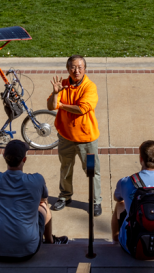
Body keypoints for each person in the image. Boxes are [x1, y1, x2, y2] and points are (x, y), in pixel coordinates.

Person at [0, 140, 68, 262]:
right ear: (24, 159)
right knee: (44, 205)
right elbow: (43, 200)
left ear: (4, 157)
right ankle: (50, 241)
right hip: (28, 249)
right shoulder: (37, 180)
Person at [46, 55, 102, 215]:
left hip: (86, 140)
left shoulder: (89, 87)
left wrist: (61, 105)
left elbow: (82, 109)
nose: (76, 71)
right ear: (67, 68)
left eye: (80, 67)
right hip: (65, 138)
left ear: (85, 69)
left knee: (92, 171)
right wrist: (55, 93)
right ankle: (65, 196)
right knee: (65, 168)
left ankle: (96, 201)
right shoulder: (62, 85)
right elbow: (51, 106)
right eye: (73, 67)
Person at [112, 140, 154, 255]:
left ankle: (116, 240)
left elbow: (117, 198)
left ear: (141, 159)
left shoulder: (126, 182)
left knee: (121, 203)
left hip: (131, 247)